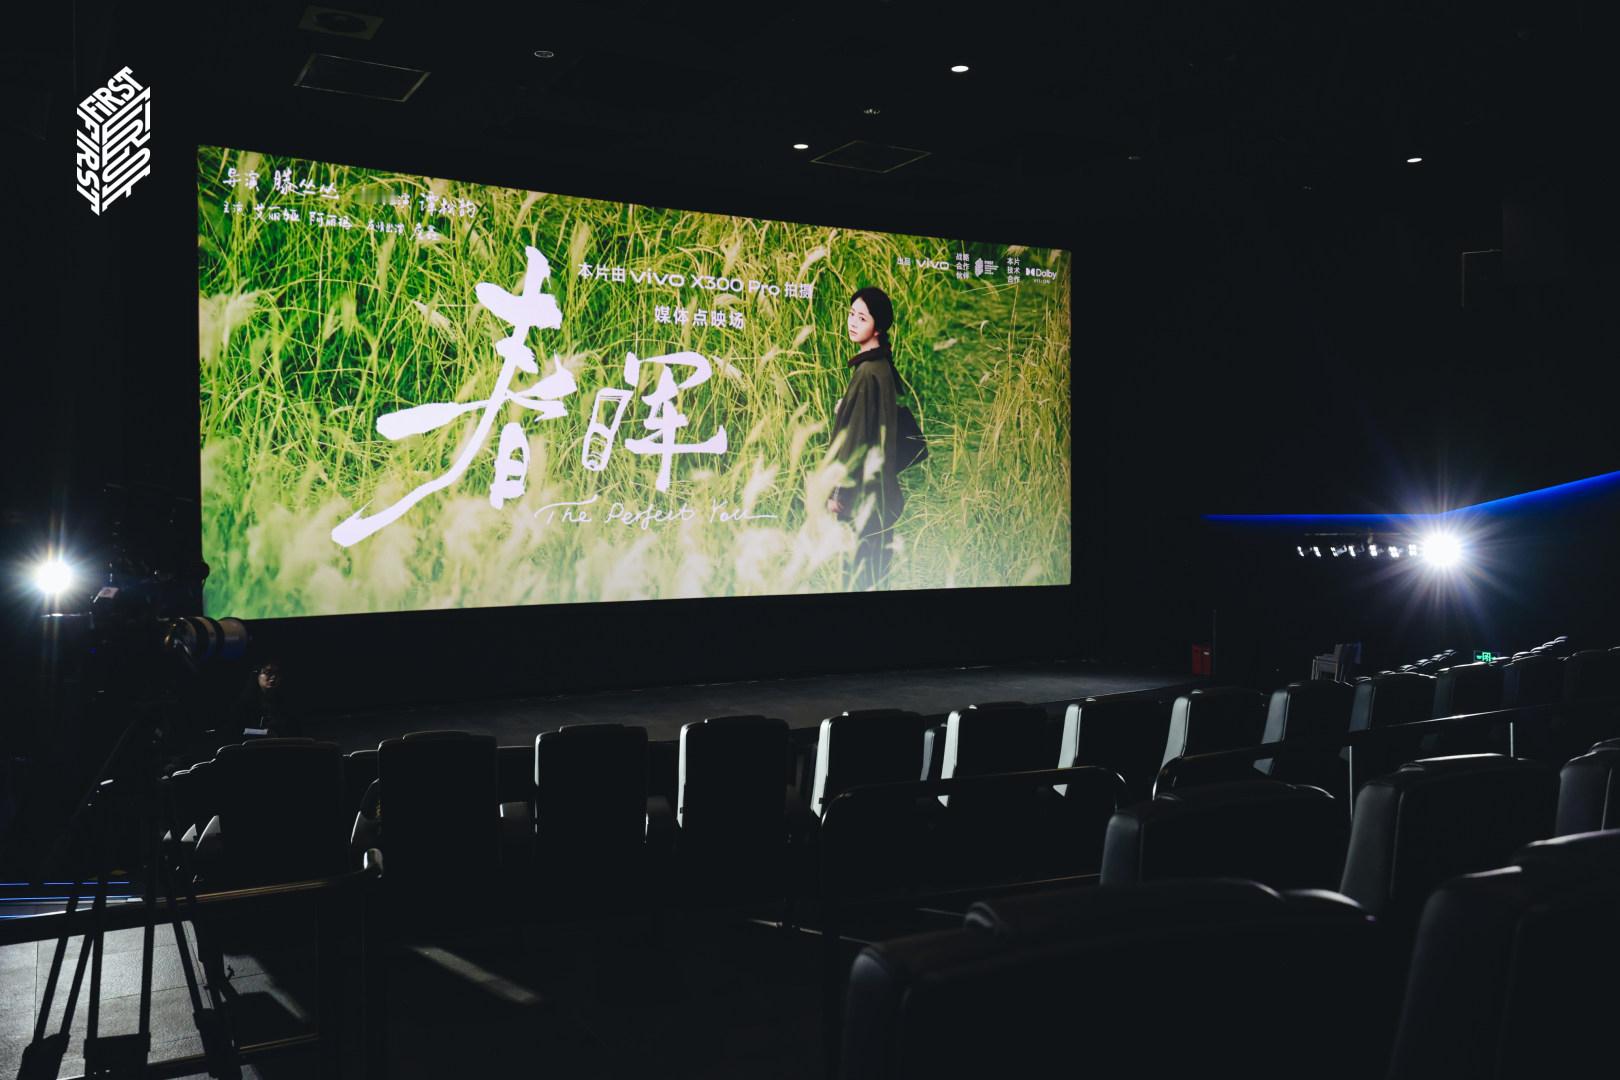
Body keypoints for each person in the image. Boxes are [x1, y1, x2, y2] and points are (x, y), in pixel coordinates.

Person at [826, 286, 906, 589]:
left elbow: (856, 440)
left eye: (862, 318)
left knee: (858, 575)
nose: (853, 322)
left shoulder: (866, 372)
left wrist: (839, 495)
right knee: (876, 572)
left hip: (861, 498)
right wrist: (847, 405)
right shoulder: (882, 365)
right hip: (880, 492)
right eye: (851, 314)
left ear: (878, 327)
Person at [234, 658, 301, 738]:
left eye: (277, 673)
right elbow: (236, 729)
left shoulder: (285, 703)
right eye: (268, 672)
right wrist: (262, 732)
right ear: (257, 675)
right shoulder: (245, 702)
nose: (274, 677)